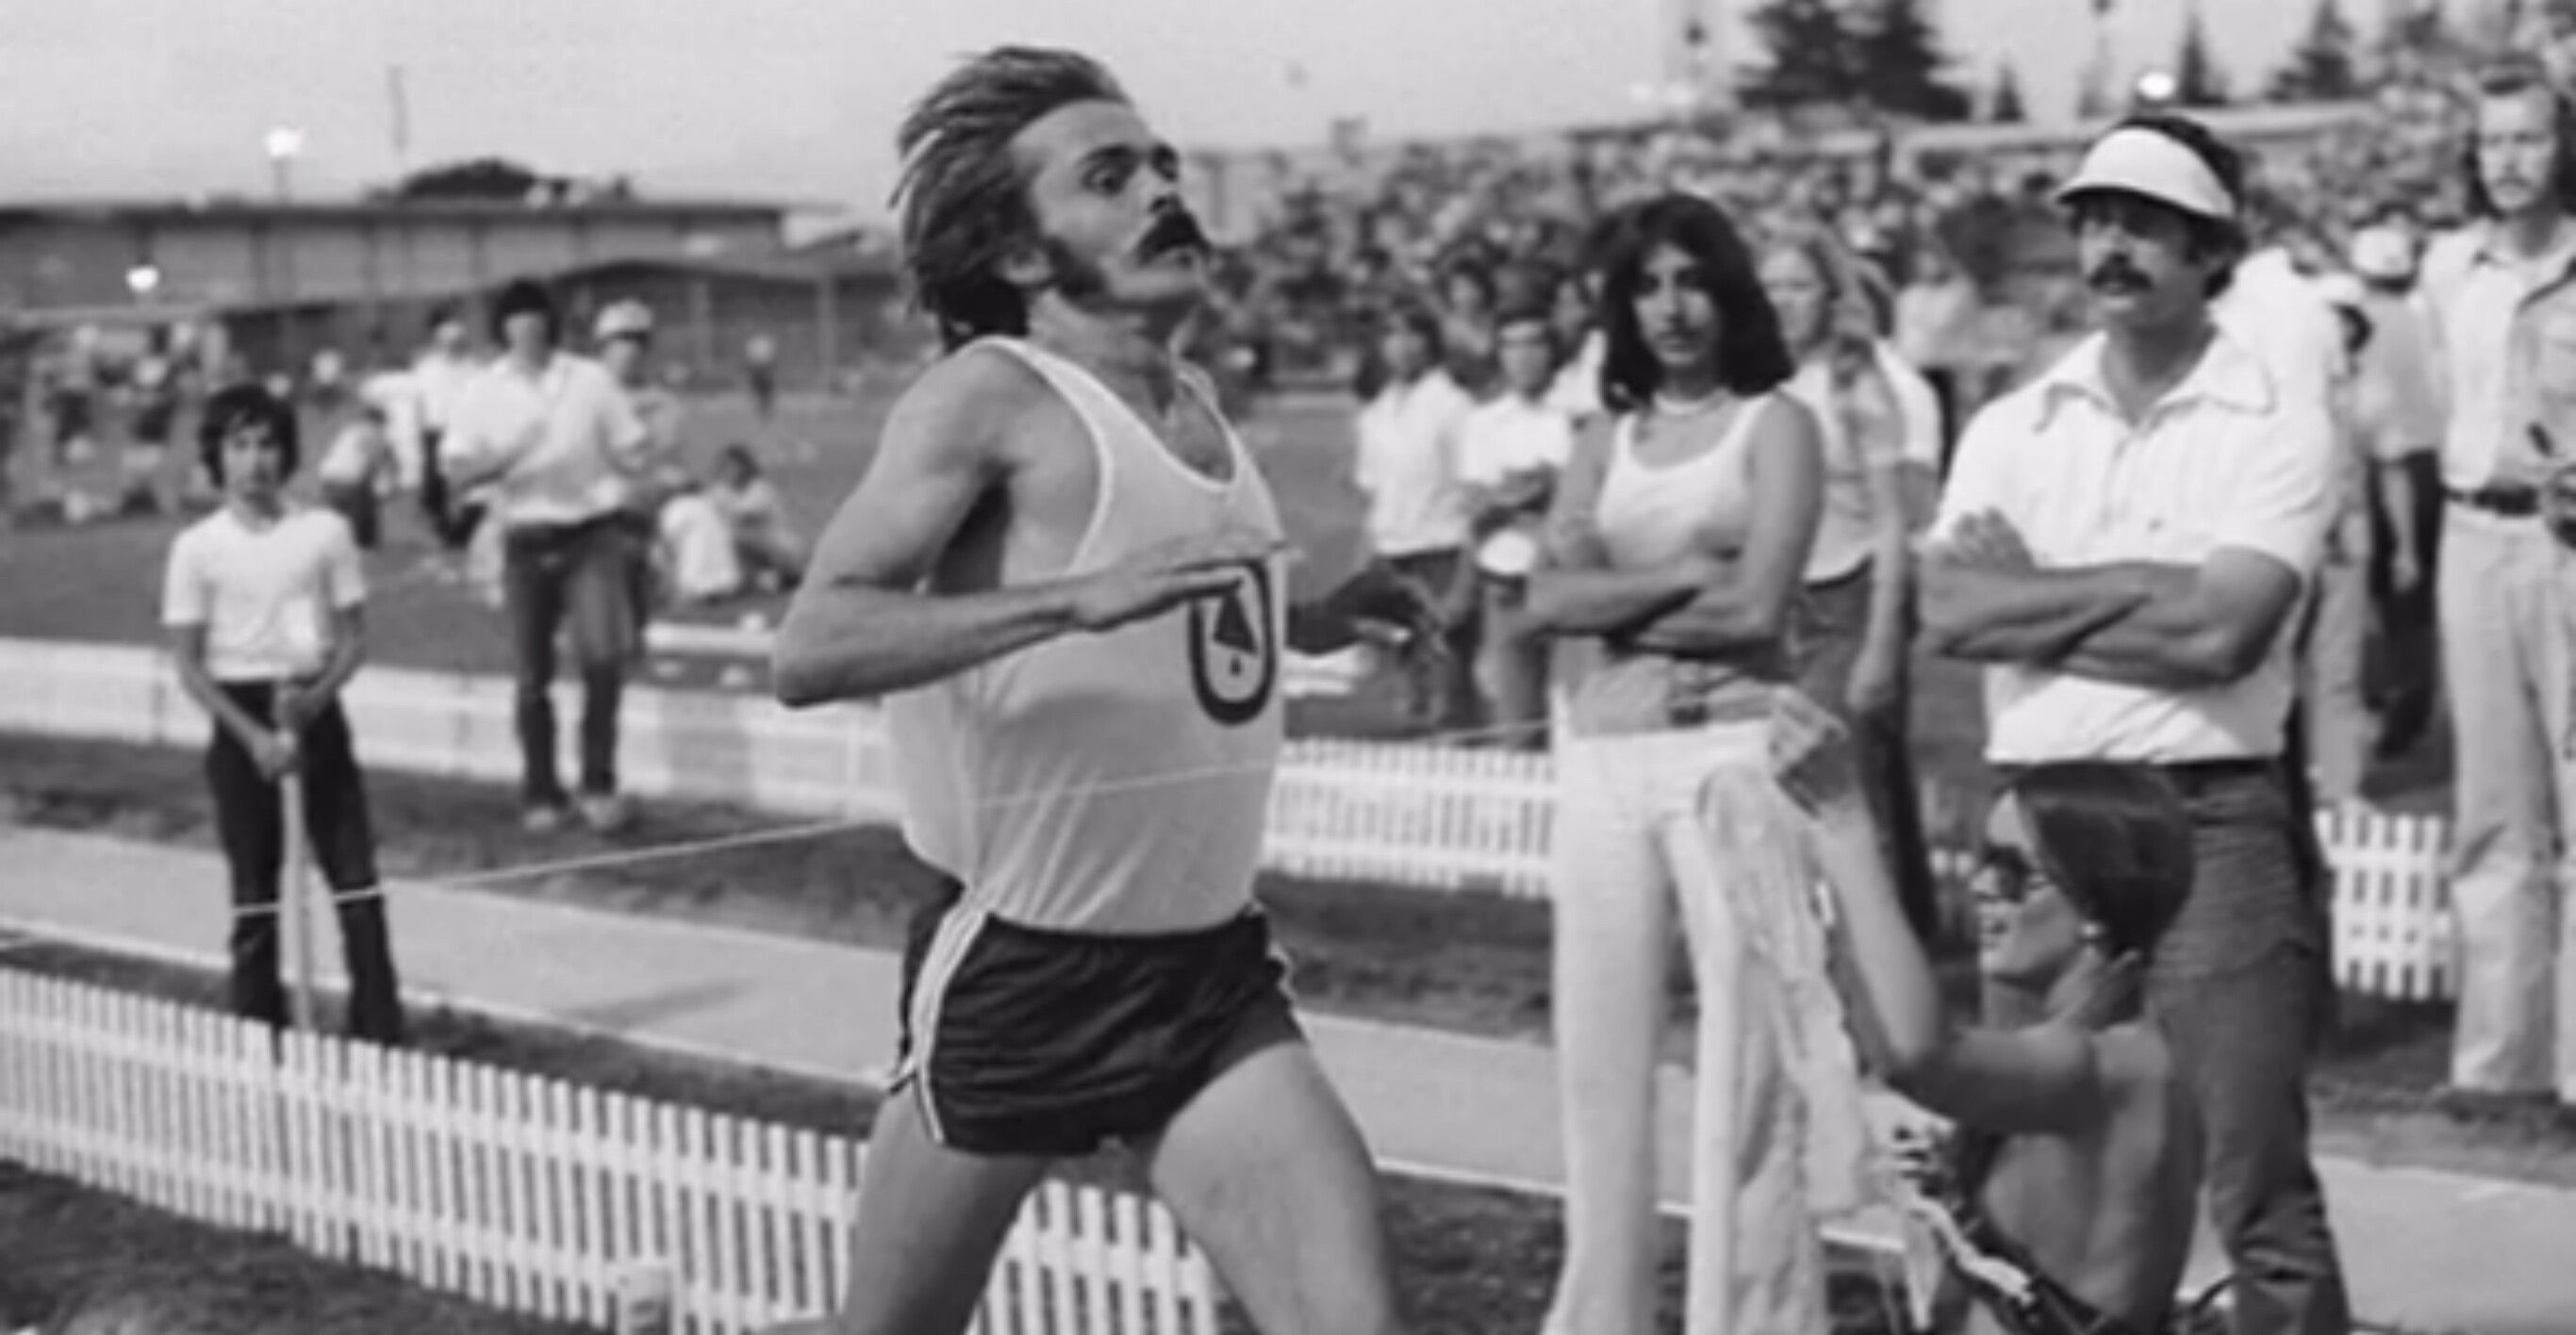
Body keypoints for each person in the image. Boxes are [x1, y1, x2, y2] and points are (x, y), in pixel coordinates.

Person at [764, 46, 1435, 1335]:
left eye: (1163, 167)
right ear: (1022, 253)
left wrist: (1318, 615)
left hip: (1208, 976)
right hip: (1028, 970)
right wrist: (1070, 601)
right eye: (1110, 178)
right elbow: (814, 643)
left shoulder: (1191, 400)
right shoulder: (988, 396)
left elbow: (1176, 606)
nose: (1162, 193)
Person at [1920, 113, 2349, 1335]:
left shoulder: (2275, 418)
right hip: (2045, 823)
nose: (2111, 248)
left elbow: (2225, 636)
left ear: (2212, 249)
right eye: (2095, 222)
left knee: (2254, 1173)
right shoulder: (2015, 422)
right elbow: (1950, 611)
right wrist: (2146, 586)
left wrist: (2035, 602)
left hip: (2207, 811)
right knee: (2013, 1158)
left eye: (2147, 225)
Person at [1520, 191, 1868, 1335]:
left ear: (1729, 294)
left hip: (1731, 754)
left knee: (1750, 1067)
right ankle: (1600, 1316)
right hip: (1605, 757)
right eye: (1646, 288)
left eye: (1691, 283)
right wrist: (1684, 574)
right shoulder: (1601, 440)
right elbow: (1545, 600)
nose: (1670, 309)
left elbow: (1757, 606)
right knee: (1597, 1064)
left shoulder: (1775, 426)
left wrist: (1615, 598)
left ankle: (1756, 1317)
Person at [1773, 690, 2206, 1335]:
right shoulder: (2124, 1054)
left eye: (2013, 874)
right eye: (1984, 864)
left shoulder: (2101, 1065)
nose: (1981, 887)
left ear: (2095, 909)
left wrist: (1844, 821)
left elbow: (1918, 1054)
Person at [2418, 62, 2576, 1112]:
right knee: (2492, 810)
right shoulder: (2448, 270)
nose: (2508, 161)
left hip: (2566, 546)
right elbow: (2449, 401)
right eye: (2491, 142)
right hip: (2471, 535)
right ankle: (2495, 1066)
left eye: (2527, 138)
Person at [159, 383, 405, 1046]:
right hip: (241, 723)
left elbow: (353, 641)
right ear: (218, 456)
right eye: (239, 445)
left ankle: (380, 1032)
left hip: (312, 710)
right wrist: (254, 738)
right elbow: (189, 664)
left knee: (356, 884)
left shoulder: (324, 533)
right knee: (255, 893)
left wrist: (313, 701)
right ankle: (258, 1038)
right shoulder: (197, 548)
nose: (255, 461)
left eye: (267, 444)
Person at [1761, 222, 1947, 940]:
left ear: (1829, 297)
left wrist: (1880, 647)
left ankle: (1882, 967)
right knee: (1782, 793)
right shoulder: (1756, 384)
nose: (1783, 302)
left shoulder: (1859, 386)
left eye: (1799, 286)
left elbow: (1893, 525)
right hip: (1777, 607)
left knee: (1848, 794)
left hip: (1851, 598)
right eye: (1771, 287)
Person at [441, 279, 652, 834]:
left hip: (590, 535)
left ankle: (599, 784)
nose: (528, 333)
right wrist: (509, 456)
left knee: (603, 662)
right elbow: (457, 472)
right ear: (504, 331)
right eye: (517, 324)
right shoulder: (482, 392)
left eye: (537, 322)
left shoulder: (589, 380)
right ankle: (541, 791)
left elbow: (632, 448)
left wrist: (636, 467)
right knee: (532, 674)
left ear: (550, 326)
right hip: (526, 538)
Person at [1352, 302, 1481, 731]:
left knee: (1448, 680)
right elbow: (1374, 496)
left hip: (1441, 550)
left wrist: (1465, 577)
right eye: (1392, 335)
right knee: (1405, 684)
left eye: (1413, 335)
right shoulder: (1377, 412)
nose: (1403, 347)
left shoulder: (1453, 406)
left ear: (1431, 343)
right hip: (1392, 553)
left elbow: (1472, 491)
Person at [1455, 303, 1577, 746]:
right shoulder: (1484, 422)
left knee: (1571, 723)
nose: (1523, 357)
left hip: (1567, 585)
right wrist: (1530, 491)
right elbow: (1476, 505)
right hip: (1505, 585)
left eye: (1534, 344)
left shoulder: (1575, 418)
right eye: (1511, 346)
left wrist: (1534, 491)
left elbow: (1578, 504)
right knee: (1516, 725)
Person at [316, 403, 398, 552]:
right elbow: (377, 462)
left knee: (334, 523)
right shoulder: (374, 433)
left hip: (328, 481)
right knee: (362, 525)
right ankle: (366, 545)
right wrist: (387, 487)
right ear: (380, 422)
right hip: (350, 484)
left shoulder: (349, 431)